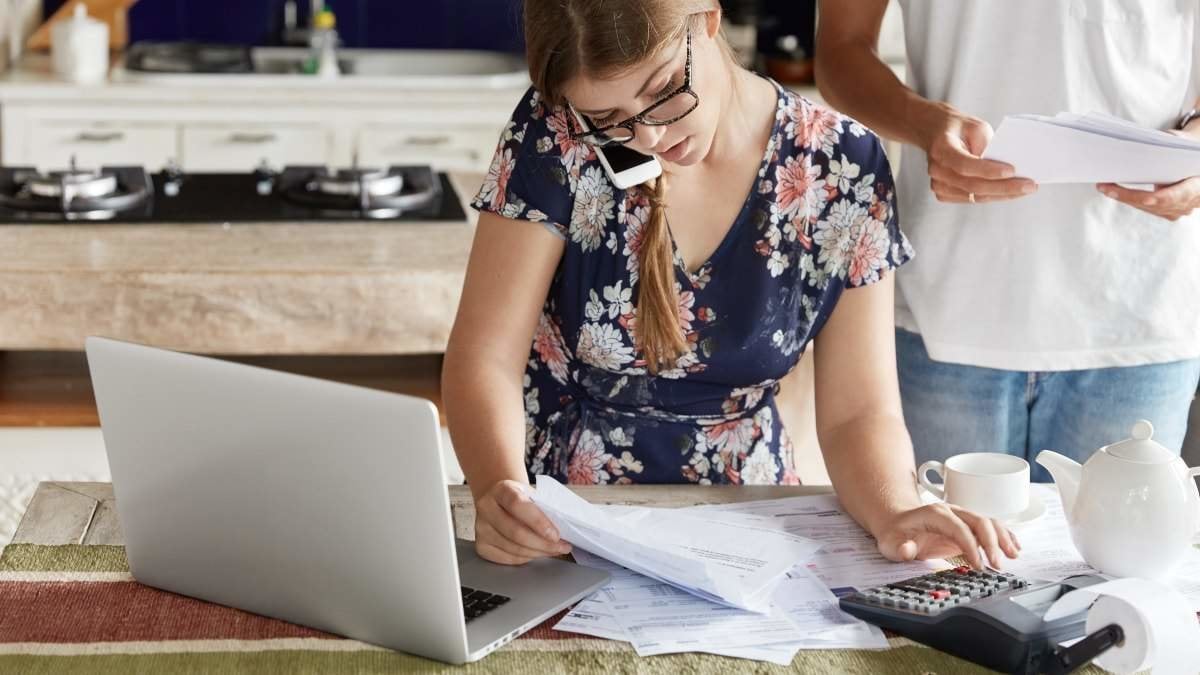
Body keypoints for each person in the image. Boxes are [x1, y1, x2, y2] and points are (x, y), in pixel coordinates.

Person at [442, 0, 1019, 570]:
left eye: (663, 90)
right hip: (562, 518)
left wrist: (895, 511)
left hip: (750, 528)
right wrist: (498, 489)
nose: (648, 136)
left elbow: (858, 412)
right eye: (610, 119)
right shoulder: (556, 133)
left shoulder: (841, 165)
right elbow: (485, 357)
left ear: (708, 20)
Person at [816, 1, 1200, 482]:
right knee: (943, 557)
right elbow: (839, 50)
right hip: (947, 309)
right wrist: (925, 123)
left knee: (1112, 558)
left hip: (1137, 316)